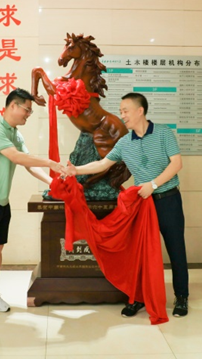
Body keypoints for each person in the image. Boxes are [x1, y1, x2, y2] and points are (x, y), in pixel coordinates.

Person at [65, 92, 189, 318]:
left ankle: (181, 297)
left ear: (140, 111)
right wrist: (76, 170)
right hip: (142, 205)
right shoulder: (124, 142)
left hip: (168, 200)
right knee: (139, 253)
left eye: (125, 111)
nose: (122, 115)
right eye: (121, 111)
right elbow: (103, 163)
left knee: (176, 249)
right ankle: (138, 297)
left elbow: (176, 164)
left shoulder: (163, 133)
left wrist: (153, 184)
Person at [0, 88, 66, 323]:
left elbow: (29, 164)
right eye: (27, 110)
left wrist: (53, 183)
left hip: (0, 199)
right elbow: (16, 157)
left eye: (30, 111)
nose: (28, 115)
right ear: (12, 106)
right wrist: (51, 162)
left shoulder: (15, 134)